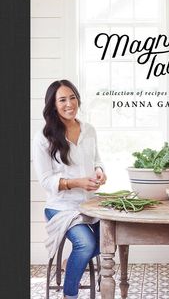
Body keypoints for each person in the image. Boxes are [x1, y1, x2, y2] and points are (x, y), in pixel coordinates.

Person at [33, 79, 107, 299]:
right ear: (53, 105)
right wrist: (77, 182)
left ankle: (71, 261)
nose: (69, 103)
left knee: (113, 236)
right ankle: (70, 295)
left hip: (90, 204)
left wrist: (100, 171)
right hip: (61, 207)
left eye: (72, 97)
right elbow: (46, 181)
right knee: (85, 244)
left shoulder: (89, 130)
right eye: (62, 99)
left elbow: (97, 160)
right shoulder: (43, 138)